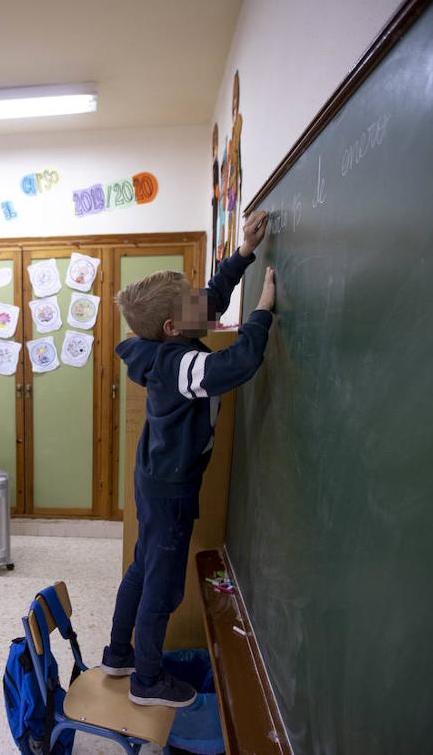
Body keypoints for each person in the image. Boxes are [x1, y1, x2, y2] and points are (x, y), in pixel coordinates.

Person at [102, 211, 278, 707]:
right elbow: (237, 364)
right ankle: (147, 681)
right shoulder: (180, 364)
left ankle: (119, 654)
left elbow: (212, 300)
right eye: (192, 304)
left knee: (142, 566)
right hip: (170, 488)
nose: (205, 305)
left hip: (156, 474)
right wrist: (263, 312)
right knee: (161, 583)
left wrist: (244, 252)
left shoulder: (166, 343)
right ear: (172, 326)